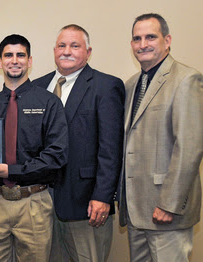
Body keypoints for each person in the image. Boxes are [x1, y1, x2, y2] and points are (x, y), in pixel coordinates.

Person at [0, 34, 68, 262]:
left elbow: (56, 156)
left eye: (20, 55)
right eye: (8, 55)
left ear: (30, 61)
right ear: (0, 62)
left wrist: (12, 171)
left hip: (34, 202)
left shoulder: (49, 103)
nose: (14, 60)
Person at [32, 24, 125, 262]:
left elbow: (110, 148)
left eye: (75, 45)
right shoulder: (37, 87)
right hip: (41, 200)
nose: (67, 51)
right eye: (62, 45)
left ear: (88, 51)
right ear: (54, 50)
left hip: (86, 202)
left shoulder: (105, 86)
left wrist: (103, 196)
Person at [119, 13, 203, 261]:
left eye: (150, 37)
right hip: (137, 209)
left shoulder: (186, 79)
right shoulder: (131, 84)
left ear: (167, 40)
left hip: (166, 211)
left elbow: (189, 148)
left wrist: (170, 204)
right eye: (136, 38)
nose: (142, 44)